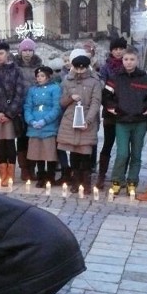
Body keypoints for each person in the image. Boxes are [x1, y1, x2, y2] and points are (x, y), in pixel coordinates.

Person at [102, 46, 147, 195]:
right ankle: (117, 180)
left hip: (140, 121)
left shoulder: (145, 78)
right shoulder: (116, 77)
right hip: (122, 121)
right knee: (122, 153)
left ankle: (132, 181)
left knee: (136, 154)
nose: (129, 62)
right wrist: (112, 108)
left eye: (132, 59)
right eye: (126, 59)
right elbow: (106, 95)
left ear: (137, 60)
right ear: (122, 60)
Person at [57, 54, 103, 195]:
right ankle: (75, 180)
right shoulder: (67, 80)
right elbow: (62, 102)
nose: (79, 71)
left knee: (85, 152)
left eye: (82, 69)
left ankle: (86, 181)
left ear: (87, 68)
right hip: (71, 119)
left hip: (86, 119)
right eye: (77, 68)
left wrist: (88, 121)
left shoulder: (94, 81)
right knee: (73, 152)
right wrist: (71, 98)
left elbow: (96, 103)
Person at [0, 42, 26, 185]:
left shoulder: (17, 71)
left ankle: (11, 173)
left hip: (11, 115)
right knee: (0, 144)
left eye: (1, 53)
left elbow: (20, 93)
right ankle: (2, 173)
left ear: (7, 54)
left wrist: (9, 113)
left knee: (10, 144)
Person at [96, 37, 128, 190]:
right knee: (108, 143)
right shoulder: (105, 67)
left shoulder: (129, 64)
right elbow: (102, 89)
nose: (118, 52)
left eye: (121, 49)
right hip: (110, 111)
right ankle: (102, 174)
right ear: (111, 51)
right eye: (115, 49)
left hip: (127, 111)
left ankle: (120, 175)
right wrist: (109, 105)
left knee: (124, 146)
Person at [23, 66, 61, 187]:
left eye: (42, 76)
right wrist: (30, 120)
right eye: (38, 76)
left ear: (48, 77)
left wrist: (45, 120)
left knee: (49, 153)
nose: (40, 78)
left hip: (48, 125)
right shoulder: (32, 90)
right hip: (35, 126)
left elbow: (56, 107)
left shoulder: (55, 88)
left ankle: (50, 176)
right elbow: (28, 106)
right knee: (37, 153)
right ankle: (41, 176)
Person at [14, 38, 43, 181]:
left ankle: (33, 167)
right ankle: (24, 168)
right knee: (22, 138)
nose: (27, 53)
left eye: (30, 50)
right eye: (24, 50)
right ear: (20, 51)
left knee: (33, 138)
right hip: (20, 105)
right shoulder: (15, 66)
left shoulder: (39, 66)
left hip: (35, 106)